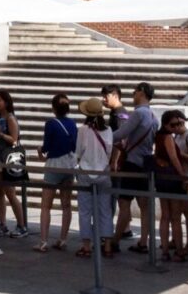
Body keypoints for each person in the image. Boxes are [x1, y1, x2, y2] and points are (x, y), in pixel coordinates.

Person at [110, 82, 159, 256]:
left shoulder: (138, 114)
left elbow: (121, 133)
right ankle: (143, 242)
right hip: (146, 163)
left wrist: (101, 137)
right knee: (144, 205)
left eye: (135, 91)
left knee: (124, 203)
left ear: (142, 93)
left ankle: (115, 241)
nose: (133, 94)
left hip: (132, 163)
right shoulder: (153, 116)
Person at [71, 97, 115, 260]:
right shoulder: (108, 130)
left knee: (85, 211)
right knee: (105, 209)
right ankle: (107, 245)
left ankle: (86, 246)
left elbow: (78, 152)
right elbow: (109, 151)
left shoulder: (83, 130)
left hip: (86, 171)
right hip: (103, 172)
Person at [35, 93, 78, 252]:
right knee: (66, 205)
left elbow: (47, 146)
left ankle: (43, 241)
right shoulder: (73, 124)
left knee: (46, 205)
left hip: (54, 166)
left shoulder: (51, 123)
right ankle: (63, 239)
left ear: (53, 108)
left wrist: (40, 150)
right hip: (69, 166)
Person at [152, 108, 188, 260]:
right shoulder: (168, 137)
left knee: (165, 215)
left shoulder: (158, 136)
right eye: (173, 124)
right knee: (175, 217)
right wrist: (183, 175)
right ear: (165, 124)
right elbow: (174, 158)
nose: (176, 127)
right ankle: (179, 250)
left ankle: (165, 250)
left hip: (161, 178)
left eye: (178, 124)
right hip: (172, 178)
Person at [0, 90, 28, 239]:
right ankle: (3, 224)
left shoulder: (10, 118)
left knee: (10, 192)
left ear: (6, 102)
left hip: (8, 158)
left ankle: (21, 225)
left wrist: (0, 134)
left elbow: (14, 139)